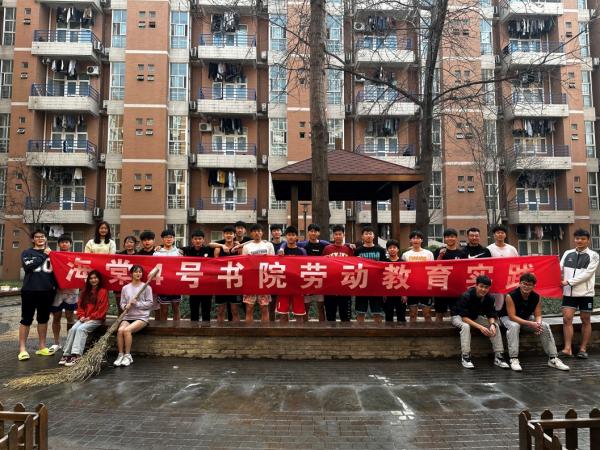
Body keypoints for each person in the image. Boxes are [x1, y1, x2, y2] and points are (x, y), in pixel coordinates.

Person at [499, 273, 569, 372]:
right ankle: (513, 359)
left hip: (526, 318)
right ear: (520, 283)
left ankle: (553, 358)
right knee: (515, 326)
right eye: (524, 284)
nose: (526, 286)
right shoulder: (510, 296)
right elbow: (512, 317)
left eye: (529, 285)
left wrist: (538, 324)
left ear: (534, 286)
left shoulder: (536, 297)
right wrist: (531, 324)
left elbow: (538, 315)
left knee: (545, 326)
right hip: (507, 318)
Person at [450, 275, 509, 369]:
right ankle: (465, 356)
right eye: (481, 286)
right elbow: (464, 318)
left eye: (486, 287)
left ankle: (499, 356)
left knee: (496, 326)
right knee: (465, 326)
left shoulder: (489, 298)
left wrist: (492, 324)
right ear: (476, 285)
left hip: (474, 317)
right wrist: (481, 327)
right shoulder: (466, 295)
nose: (483, 289)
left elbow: (491, 314)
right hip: (458, 317)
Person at [18, 229, 58, 361]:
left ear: (46, 238)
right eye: (37, 237)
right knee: (26, 319)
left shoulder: (53, 254)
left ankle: (42, 347)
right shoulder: (27, 252)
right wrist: (44, 255)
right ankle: (22, 349)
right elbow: (28, 267)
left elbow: (58, 271)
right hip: (30, 290)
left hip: (47, 291)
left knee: (43, 319)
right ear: (32, 239)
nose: (40, 238)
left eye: (42, 236)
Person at [560, 228, 599, 359]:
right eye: (577, 238)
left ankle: (583, 349)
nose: (579, 241)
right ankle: (567, 349)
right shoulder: (567, 253)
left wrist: (569, 282)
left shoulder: (594, 255)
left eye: (583, 239)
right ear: (574, 239)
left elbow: (587, 274)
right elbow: (559, 268)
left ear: (588, 240)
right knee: (567, 319)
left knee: (585, 320)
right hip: (568, 293)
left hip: (585, 293)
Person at [280, 223, 330, 321]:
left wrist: (348, 245)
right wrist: (281, 248)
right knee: (303, 309)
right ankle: (304, 327)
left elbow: (336, 244)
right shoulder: (302, 245)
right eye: (311, 231)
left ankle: (321, 328)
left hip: (319, 280)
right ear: (308, 233)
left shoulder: (323, 244)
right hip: (304, 282)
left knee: (320, 307)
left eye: (315, 231)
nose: (313, 233)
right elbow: (287, 243)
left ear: (318, 233)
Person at [59, 270, 109, 366]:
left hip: (96, 319)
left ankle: (77, 355)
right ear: (88, 280)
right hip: (84, 318)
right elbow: (80, 307)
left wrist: (90, 317)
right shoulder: (84, 291)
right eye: (91, 278)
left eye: (95, 278)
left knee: (81, 329)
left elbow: (102, 309)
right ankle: (67, 354)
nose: (93, 280)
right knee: (73, 329)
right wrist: (81, 316)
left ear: (99, 279)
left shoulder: (103, 291)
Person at [114, 265, 154, 367]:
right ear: (131, 274)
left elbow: (150, 303)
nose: (138, 274)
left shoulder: (146, 287)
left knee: (127, 330)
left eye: (140, 272)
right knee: (120, 330)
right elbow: (122, 303)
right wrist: (125, 306)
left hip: (141, 317)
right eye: (136, 272)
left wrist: (137, 304)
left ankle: (128, 356)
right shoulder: (125, 288)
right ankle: (120, 355)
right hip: (128, 316)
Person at [49, 234, 78, 353]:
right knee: (56, 316)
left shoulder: (76, 257)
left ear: (70, 244)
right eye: (62, 242)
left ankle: (69, 342)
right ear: (58, 244)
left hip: (72, 291)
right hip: (57, 291)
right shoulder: (53, 256)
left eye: (67, 242)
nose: (64, 244)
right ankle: (56, 342)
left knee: (70, 317)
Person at [242, 224, 275, 322]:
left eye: (259, 231)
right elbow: (244, 263)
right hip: (251, 281)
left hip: (264, 280)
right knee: (249, 308)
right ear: (251, 233)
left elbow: (273, 261)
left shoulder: (268, 245)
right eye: (254, 231)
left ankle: (265, 330)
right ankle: (249, 330)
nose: (257, 233)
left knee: (264, 308)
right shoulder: (246, 247)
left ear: (262, 233)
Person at [354, 226, 387, 324]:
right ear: (362, 236)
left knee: (377, 312)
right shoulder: (358, 251)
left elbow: (384, 267)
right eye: (366, 233)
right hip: (361, 284)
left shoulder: (381, 250)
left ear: (373, 236)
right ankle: (360, 331)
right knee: (360, 312)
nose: (368, 235)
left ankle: (378, 331)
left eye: (370, 233)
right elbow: (354, 267)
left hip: (376, 285)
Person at [433, 228, 466, 323]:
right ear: (444, 238)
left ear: (456, 238)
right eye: (447, 237)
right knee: (439, 313)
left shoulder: (462, 253)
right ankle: (438, 330)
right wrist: (440, 256)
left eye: (452, 236)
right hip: (441, 286)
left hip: (455, 286)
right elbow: (434, 267)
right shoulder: (439, 251)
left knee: (455, 313)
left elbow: (465, 269)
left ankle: (456, 329)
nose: (450, 239)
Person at [181, 230, 214, 322]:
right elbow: (175, 249)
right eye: (195, 239)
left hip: (206, 285)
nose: (198, 241)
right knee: (194, 311)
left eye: (200, 239)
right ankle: (193, 329)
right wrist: (160, 247)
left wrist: (222, 245)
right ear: (192, 240)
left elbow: (218, 245)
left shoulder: (209, 249)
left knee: (206, 311)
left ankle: (206, 329)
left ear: (203, 240)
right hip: (193, 286)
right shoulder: (187, 250)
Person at [401, 230, 434, 322]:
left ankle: (429, 331)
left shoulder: (428, 254)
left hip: (425, 287)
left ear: (422, 240)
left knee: (427, 314)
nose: (416, 240)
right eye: (413, 238)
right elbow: (403, 272)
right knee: (412, 314)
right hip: (411, 287)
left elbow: (432, 270)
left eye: (418, 238)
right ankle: (412, 330)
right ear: (410, 240)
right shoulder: (406, 255)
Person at [323, 225, 354, 322]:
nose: (338, 236)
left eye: (340, 234)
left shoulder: (349, 249)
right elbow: (322, 264)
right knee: (330, 315)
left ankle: (345, 331)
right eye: (336, 234)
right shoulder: (327, 249)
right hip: (330, 286)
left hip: (345, 286)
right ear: (333, 236)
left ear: (343, 235)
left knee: (345, 316)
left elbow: (355, 264)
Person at [276, 226, 307, 322]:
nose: (291, 237)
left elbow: (306, 267)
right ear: (286, 237)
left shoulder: (302, 251)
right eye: (289, 235)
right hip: (284, 285)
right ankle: (284, 331)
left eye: (293, 235)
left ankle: (299, 331)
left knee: (299, 314)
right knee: (283, 314)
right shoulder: (281, 251)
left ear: (296, 237)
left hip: (297, 286)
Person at [487, 224, 519, 311]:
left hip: (510, 280)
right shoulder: (489, 249)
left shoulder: (512, 249)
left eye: (502, 233)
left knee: (511, 300)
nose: (500, 234)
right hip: (495, 280)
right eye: (498, 233)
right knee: (497, 303)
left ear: (505, 235)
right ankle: (497, 315)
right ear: (494, 235)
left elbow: (517, 264)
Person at [214, 225, 242, 323]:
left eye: (231, 233)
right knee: (220, 311)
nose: (228, 235)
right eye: (226, 233)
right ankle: (219, 331)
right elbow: (215, 264)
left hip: (234, 282)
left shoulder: (238, 248)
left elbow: (243, 262)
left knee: (235, 311)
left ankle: (236, 331)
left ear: (234, 235)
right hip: (221, 282)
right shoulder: (218, 248)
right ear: (224, 235)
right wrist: (222, 246)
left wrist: (239, 245)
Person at [154, 229, 182, 321]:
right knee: (164, 310)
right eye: (166, 237)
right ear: (162, 239)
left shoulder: (179, 252)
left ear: (174, 239)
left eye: (171, 237)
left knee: (176, 308)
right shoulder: (157, 253)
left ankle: (177, 327)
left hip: (176, 284)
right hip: (163, 284)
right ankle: (163, 328)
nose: (169, 239)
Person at [383, 239, 406, 323]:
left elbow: (405, 278)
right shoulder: (383, 262)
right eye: (390, 248)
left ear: (398, 249)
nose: (392, 249)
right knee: (388, 316)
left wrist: (405, 294)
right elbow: (381, 278)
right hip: (388, 293)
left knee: (401, 316)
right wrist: (383, 293)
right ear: (387, 250)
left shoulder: (403, 262)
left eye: (394, 247)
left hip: (400, 292)